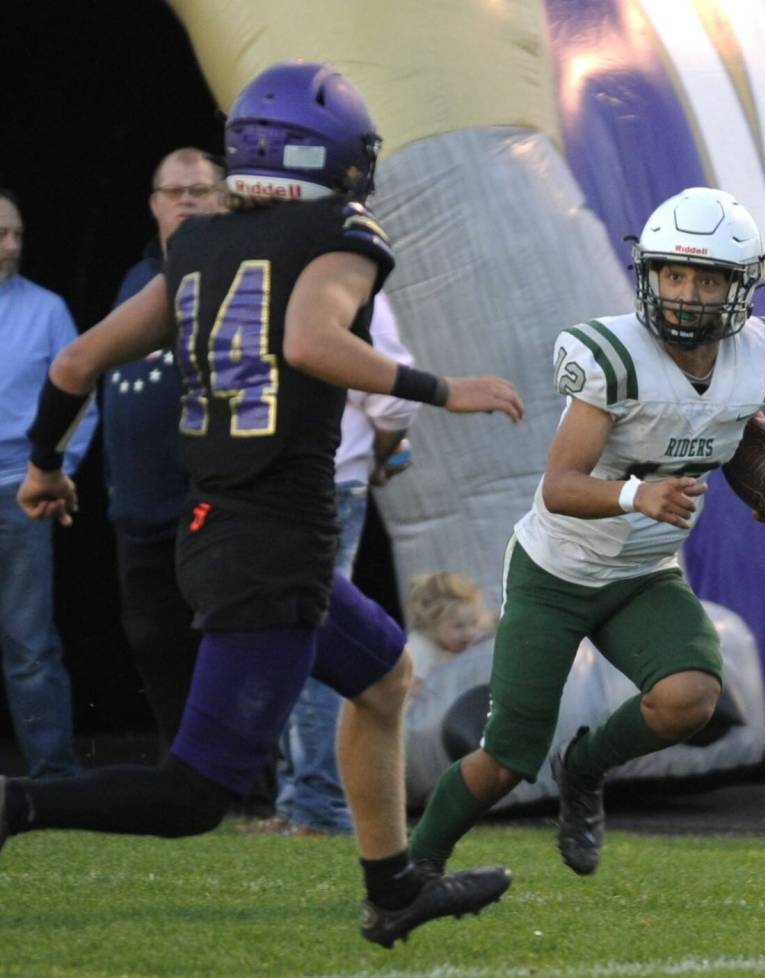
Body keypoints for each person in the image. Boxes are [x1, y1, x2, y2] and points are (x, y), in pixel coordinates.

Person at [2, 61, 523, 948]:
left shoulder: (197, 244)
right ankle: (15, 805)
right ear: (333, 156)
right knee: (193, 794)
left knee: (384, 676)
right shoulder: (339, 231)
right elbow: (312, 340)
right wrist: (443, 388)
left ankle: (392, 885)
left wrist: (48, 464)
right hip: (270, 542)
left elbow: (74, 366)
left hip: (231, 531)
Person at [409, 186, 765, 879]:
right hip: (558, 573)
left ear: (739, 287)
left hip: (641, 574)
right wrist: (638, 492)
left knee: (691, 698)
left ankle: (586, 768)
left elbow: (728, 418)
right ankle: (408, 876)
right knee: (506, 761)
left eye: (706, 278)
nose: (685, 293)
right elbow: (560, 487)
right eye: (672, 273)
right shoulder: (614, 355)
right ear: (649, 275)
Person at [272, 292, 419, 837]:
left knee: (314, 642)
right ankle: (301, 799)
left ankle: (315, 803)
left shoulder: (348, 286)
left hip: (322, 486)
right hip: (308, 486)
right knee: (295, 639)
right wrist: (381, 454)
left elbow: (394, 397)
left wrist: (378, 454)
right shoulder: (335, 279)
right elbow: (392, 402)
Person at [102, 148, 226, 759]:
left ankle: (239, 776)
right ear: (153, 204)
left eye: (199, 190)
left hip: (205, 505)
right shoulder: (135, 279)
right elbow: (102, 377)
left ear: (226, 200)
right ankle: (179, 765)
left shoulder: (239, 277)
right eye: (174, 192)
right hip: (138, 510)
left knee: (221, 643)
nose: (185, 200)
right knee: (153, 641)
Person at [0, 188, 98, 781]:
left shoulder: (46, 308)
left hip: (19, 490)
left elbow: (82, 398)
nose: (11, 246)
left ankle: (54, 781)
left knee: (29, 645)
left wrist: (56, 473)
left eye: (16, 234)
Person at [405, 571, 496, 699]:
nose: (470, 632)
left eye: (473, 622)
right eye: (458, 626)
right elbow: (405, 693)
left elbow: (489, 621)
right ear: (432, 622)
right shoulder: (419, 651)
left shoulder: (459, 628)